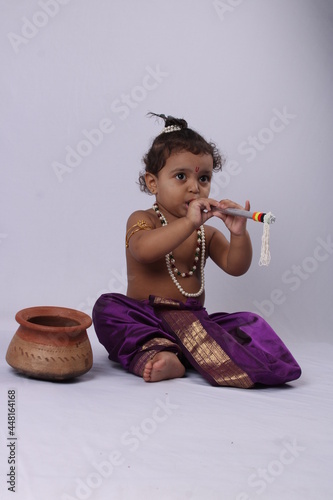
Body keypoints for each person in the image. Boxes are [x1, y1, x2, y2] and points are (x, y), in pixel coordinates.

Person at [92, 113, 301, 388]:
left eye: (204, 178)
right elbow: (142, 250)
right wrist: (189, 223)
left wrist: (238, 234)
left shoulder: (207, 233)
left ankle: (183, 352)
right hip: (146, 319)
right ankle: (162, 354)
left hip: (194, 325)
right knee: (107, 308)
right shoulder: (143, 219)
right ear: (153, 183)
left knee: (250, 324)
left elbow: (236, 267)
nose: (195, 187)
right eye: (181, 176)